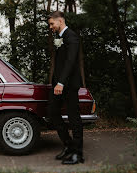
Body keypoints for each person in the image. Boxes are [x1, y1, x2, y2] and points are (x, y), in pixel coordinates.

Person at [47, 11, 84, 165]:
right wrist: (55, 82)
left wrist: (61, 83)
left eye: (52, 24)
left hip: (69, 85)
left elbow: (70, 62)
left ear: (60, 21)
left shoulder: (72, 36)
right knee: (52, 112)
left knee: (74, 117)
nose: (50, 27)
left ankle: (78, 154)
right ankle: (69, 146)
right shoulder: (59, 38)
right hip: (59, 84)